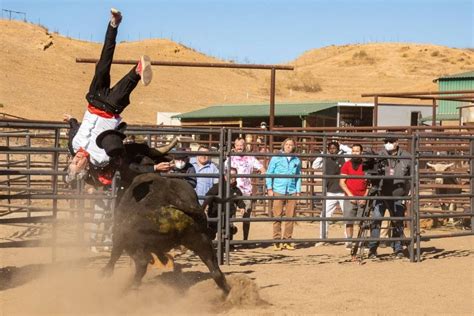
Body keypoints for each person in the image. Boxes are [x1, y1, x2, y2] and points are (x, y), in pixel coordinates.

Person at [65, 8, 153, 184]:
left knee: (103, 62)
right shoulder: (100, 159)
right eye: (78, 163)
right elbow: (116, 148)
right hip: (110, 110)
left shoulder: (74, 146)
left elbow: (75, 129)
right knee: (127, 85)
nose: (76, 159)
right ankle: (138, 69)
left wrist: (71, 120)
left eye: (73, 161)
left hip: (95, 100)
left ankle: (114, 24)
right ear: (85, 168)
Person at [368, 137, 411, 259]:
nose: (388, 144)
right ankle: (372, 248)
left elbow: (412, 176)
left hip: (398, 194)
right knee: (376, 220)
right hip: (381, 193)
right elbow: (371, 172)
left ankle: (398, 248)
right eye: (386, 142)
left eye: (391, 142)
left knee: (398, 221)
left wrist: (408, 192)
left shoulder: (407, 157)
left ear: (397, 143)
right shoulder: (379, 155)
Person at [225, 137, 266, 240]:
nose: (239, 147)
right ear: (234, 146)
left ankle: (245, 239)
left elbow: (262, 168)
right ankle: (230, 240)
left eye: (241, 145)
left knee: (246, 216)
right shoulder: (230, 159)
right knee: (231, 215)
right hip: (232, 190)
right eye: (237, 145)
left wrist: (260, 175)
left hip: (246, 191)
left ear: (244, 146)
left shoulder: (250, 158)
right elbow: (224, 172)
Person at [266, 138, 302, 251]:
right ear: (283, 145)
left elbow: (298, 176)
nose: (288, 146)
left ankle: (287, 240)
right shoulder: (276, 158)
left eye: (291, 145)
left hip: (291, 190)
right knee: (277, 216)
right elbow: (269, 173)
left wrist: (298, 190)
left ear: (294, 147)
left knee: (290, 217)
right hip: (278, 189)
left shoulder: (296, 160)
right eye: (286, 144)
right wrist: (270, 188)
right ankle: (277, 241)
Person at [312, 141, 348, 242]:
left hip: (343, 191)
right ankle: (323, 238)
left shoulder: (344, 157)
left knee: (347, 215)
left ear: (338, 149)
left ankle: (348, 239)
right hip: (330, 192)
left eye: (334, 148)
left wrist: (342, 146)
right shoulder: (325, 158)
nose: (332, 150)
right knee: (324, 215)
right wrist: (322, 154)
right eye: (330, 148)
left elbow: (350, 152)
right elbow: (314, 165)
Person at [202, 167, 246, 240]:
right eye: (230, 176)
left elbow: (239, 200)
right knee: (212, 229)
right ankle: (210, 244)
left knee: (228, 229)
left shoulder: (236, 190)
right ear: (225, 176)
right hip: (215, 212)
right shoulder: (218, 186)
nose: (232, 178)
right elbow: (209, 195)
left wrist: (242, 207)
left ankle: (228, 245)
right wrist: (205, 205)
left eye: (234, 176)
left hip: (229, 214)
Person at [339, 144, 369, 250]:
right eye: (354, 151)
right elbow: (342, 182)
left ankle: (362, 241)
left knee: (363, 221)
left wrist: (365, 197)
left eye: (357, 151)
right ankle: (349, 241)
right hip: (350, 196)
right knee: (349, 220)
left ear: (361, 152)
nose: (355, 153)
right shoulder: (347, 165)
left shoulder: (366, 165)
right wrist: (350, 196)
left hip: (362, 196)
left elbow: (370, 183)